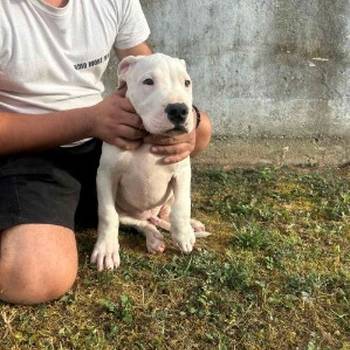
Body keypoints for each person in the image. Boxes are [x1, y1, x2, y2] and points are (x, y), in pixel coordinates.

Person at [0, 0, 212, 305]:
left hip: (101, 137)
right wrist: (89, 120)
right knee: (34, 277)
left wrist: (188, 116)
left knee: (200, 129)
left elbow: (149, 68)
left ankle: (137, 209)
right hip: (32, 149)